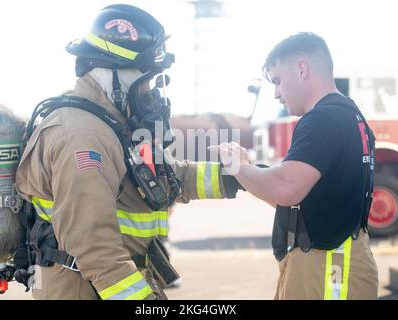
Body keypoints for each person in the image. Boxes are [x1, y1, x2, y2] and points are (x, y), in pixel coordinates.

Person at [16, 4, 241, 300]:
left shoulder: (112, 124)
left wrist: (237, 175)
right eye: (145, 80)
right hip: (89, 290)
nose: (150, 91)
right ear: (112, 74)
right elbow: (95, 247)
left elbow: (163, 179)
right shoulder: (83, 137)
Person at [212, 32, 378, 300]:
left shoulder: (321, 119)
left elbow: (286, 188)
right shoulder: (349, 114)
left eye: (277, 81)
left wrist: (236, 165)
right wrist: (255, 173)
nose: (277, 93)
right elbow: (301, 196)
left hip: (326, 269)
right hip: (338, 262)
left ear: (302, 69)